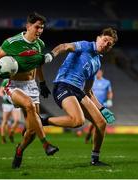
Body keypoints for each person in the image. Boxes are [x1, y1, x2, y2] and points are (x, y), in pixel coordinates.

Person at [0, 11, 59, 169]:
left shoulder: (39, 44)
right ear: (28, 26)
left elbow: (38, 64)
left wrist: (42, 83)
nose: (40, 30)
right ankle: (46, 144)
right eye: (37, 27)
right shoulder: (11, 42)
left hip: (32, 85)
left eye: (42, 28)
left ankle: (19, 150)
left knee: (31, 131)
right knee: (28, 105)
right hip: (14, 85)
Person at [42, 27, 118, 166]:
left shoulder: (97, 63)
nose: (106, 44)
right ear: (98, 38)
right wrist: (51, 55)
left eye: (110, 44)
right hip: (63, 85)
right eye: (105, 40)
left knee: (101, 123)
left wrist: (102, 109)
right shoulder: (85, 45)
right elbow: (64, 46)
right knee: (78, 121)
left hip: (78, 90)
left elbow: (88, 91)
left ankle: (95, 160)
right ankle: (43, 121)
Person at [85, 69, 113, 143]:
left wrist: (109, 100)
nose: (98, 74)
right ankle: (90, 134)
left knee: (98, 121)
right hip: (92, 104)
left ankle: (93, 137)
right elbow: (88, 91)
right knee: (95, 121)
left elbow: (109, 92)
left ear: (102, 73)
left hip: (102, 105)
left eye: (99, 72)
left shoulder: (106, 82)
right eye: (97, 73)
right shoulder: (92, 81)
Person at [0, 79, 21, 144]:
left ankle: (11, 133)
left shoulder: (19, 80)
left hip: (15, 103)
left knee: (17, 120)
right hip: (7, 104)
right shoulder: (6, 81)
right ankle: (3, 137)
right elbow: (0, 92)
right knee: (5, 121)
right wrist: (4, 96)